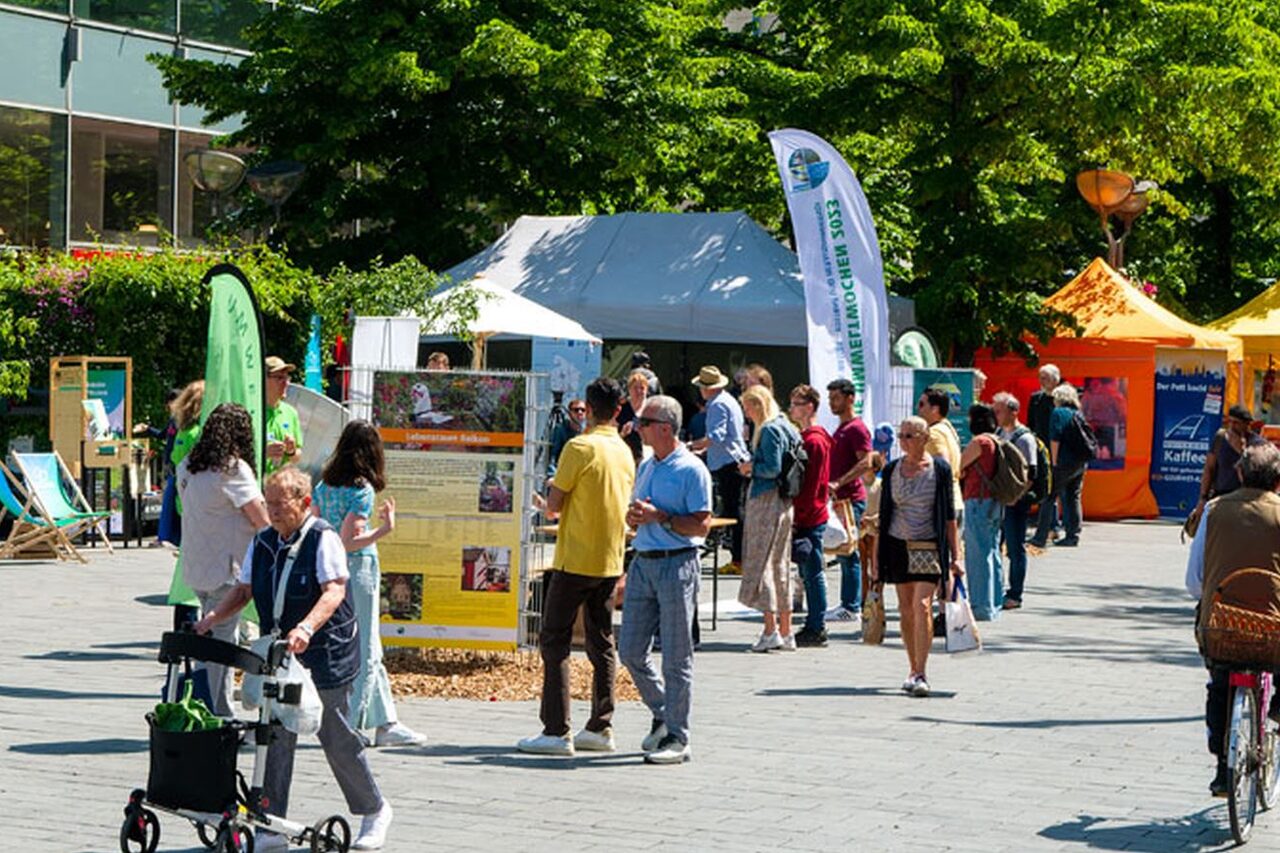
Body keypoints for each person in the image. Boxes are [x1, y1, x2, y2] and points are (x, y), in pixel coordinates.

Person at [194, 466, 392, 852]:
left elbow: (334, 590)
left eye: (280, 506)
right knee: (276, 733)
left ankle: (374, 808)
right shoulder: (265, 540)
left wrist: (305, 628)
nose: (272, 513)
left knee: (333, 734)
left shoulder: (324, 538)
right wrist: (215, 617)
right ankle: (269, 825)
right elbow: (245, 588)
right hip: (281, 652)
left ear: (304, 504)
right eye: (268, 504)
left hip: (325, 650)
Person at [518, 377, 635, 756]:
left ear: (587, 405)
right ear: (618, 410)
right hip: (609, 557)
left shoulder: (579, 447)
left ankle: (556, 729)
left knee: (555, 640)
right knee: (602, 643)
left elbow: (553, 505)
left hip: (575, 558)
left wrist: (551, 493)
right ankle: (601, 725)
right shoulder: (623, 450)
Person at [313, 420, 425, 748]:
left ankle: (386, 722)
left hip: (329, 570)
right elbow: (350, 540)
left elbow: (322, 530)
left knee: (357, 642)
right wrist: (384, 531)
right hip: (358, 570)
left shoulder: (324, 484)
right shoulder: (361, 490)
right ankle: (352, 722)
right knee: (368, 648)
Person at [619, 394, 713, 764]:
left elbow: (702, 526)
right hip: (644, 560)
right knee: (629, 651)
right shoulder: (648, 465)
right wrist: (636, 519)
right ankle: (665, 713)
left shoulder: (691, 470)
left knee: (676, 655)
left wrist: (660, 517)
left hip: (677, 564)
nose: (637, 427)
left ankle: (678, 735)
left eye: (644, 422)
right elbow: (641, 512)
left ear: (664, 428)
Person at [1185, 443, 1280, 797]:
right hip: (1274, 631)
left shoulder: (1213, 510)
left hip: (1220, 627)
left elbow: (1194, 582)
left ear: (1239, 473)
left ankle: (1222, 768)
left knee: (1220, 682)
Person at [176, 403, 269, 717]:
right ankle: (217, 714)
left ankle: (217, 711)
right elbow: (262, 520)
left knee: (216, 640)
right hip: (227, 570)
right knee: (221, 648)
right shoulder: (233, 469)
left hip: (196, 567)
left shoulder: (188, 465)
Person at [872, 416, 960, 698]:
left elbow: (948, 517)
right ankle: (912, 668)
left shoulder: (939, 470)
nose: (905, 441)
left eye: (911, 435)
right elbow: (884, 517)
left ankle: (921, 672)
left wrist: (955, 556)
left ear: (924, 438)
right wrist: (875, 559)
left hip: (928, 547)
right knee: (906, 609)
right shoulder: (892, 470)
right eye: (902, 435)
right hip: (897, 545)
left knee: (923, 605)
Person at [735, 385, 801, 652]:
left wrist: (750, 467)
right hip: (784, 501)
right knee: (780, 564)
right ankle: (786, 631)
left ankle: (770, 629)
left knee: (761, 562)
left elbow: (771, 468)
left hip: (766, 500)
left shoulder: (770, 429)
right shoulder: (787, 424)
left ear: (758, 405)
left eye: (748, 408)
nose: (747, 414)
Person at [689, 366, 750, 572]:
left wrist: (692, 446)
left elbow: (716, 436)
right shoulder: (728, 400)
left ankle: (738, 559)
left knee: (734, 511)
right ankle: (739, 557)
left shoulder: (716, 405)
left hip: (727, 463)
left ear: (706, 388)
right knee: (736, 509)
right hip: (735, 459)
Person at [788, 384, 832, 648]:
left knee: (813, 572)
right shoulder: (814, 436)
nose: (791, 407)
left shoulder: (813, 440)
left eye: (796, 403)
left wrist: (798, 514)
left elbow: (811, 483)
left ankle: (817, 625)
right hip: (812, 512)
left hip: (810, 514)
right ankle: (815, 623)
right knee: (810, 571)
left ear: (810, 407)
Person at [826, 379, 872, 623]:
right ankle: (849, 603)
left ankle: (851, 606)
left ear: (850, 398)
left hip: (851, 499)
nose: (832, 402)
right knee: (844, 551)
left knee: (849, 552)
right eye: (831, 398)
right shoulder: (842, 428)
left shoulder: (856, 428)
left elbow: (866, 461)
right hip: (841, 499)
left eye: (836, 398)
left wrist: (840, 482)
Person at [165, 379, 205, 629]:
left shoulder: (182, 430)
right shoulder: (197, 433)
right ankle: (190, 623)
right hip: (198, 509)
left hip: (185, 506)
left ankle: (185, 622)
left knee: (187, 569)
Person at [958, 403, 1004, 621]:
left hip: (977, 500)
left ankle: (980, 606)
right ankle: (994, 602)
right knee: (992, 551)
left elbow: (959, 466)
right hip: (994, 500)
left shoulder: (980, 442)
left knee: (977, 555)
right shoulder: (996, 440)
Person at [992, 392, 1038, 610]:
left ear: (1013, 411)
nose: (996, 415)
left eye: (999, 411)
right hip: (1001, 500)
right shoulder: (999, 433)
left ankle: (1015, 594)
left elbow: (1031, 474)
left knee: (1015, 547)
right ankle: (995, 589)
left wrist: (1015, 497)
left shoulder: (1025, 438)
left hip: (1016, 502)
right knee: (996, 544)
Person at [1030, 384, 1088, 548]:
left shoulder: (1058, 413)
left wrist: (1054, 462)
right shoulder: (1078, 413)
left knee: (1048, 497)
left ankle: (1040, 537)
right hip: (1080, 462)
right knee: (1073, 497)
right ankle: (1073, 535)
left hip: (1063, 462)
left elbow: (1055, 438)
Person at [1194, 404, 1266, 515]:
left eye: (1236, 423)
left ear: (1247, 424)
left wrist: (1240, 449)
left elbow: (1255, 474)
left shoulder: (1257, 444)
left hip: (1244, 502)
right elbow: (1209, 468)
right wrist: (1203, 498)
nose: (1231, 426)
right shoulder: (1220, 438)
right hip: (1220, 499)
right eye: (1229, 422)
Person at [918, 386, 964, 521]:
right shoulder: (947, 428)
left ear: (935, 409)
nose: (917, 408)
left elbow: (943, 467)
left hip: (943, 506)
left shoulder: (934, 433)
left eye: (922, 404)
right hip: (955, 501)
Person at [1029, 364, 1062, 541]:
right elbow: (1031, 423)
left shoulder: (1061, 400)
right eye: (1040, 377)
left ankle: (1053, 526)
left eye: (1045, 378)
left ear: (1055, 380)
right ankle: (1050, 525)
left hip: (1057, 450)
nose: (1042, 381)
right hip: (1039, 448)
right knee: (1044, 488)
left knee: (1053, 490)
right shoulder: (1035, 399)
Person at [265, 355, 304, 475]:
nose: (286, 383)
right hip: (257, 487)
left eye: (287, 378)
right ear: (263, 379)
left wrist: (291, 451)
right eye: (280, 378)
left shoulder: (290, 412)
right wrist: (263, 453)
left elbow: (297, 456)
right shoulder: (252, 412)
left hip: (281, 487)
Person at [546, 397, 587, 481]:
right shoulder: (561, 430)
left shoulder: (587, 432)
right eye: (576, 410)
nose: (580, 412)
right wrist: (552, 475)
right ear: (570, 413)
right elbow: (553, 454)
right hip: (563, 476)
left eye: (583, 410)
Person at [617, 370, 651, 465]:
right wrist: (623, 433)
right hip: (624, 457)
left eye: (642, 388)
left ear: (647, 390)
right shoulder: (621, 409)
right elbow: (613, 436)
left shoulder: (651, 409)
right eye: (635, 388)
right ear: (629, 390)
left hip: (648, 456)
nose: (639, 391)